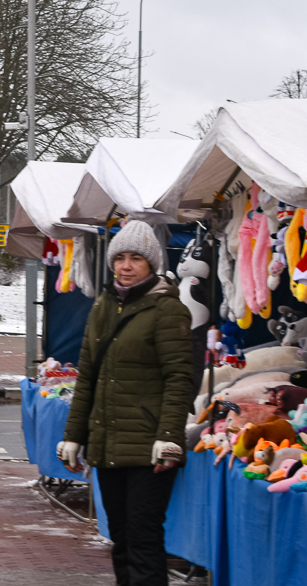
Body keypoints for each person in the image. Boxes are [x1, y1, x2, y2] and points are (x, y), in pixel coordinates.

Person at [59, 220, 193, 586]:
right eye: (120, 258)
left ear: (152, 263)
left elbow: (179, 378)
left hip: (149, 447)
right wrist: (74, 436)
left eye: (136, 258)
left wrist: (169, 436)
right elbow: (87, 377)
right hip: (108, 444)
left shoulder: (168, 310)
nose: (127, 266)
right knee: (120, 537)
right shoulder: (102, 306)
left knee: (143, 537)